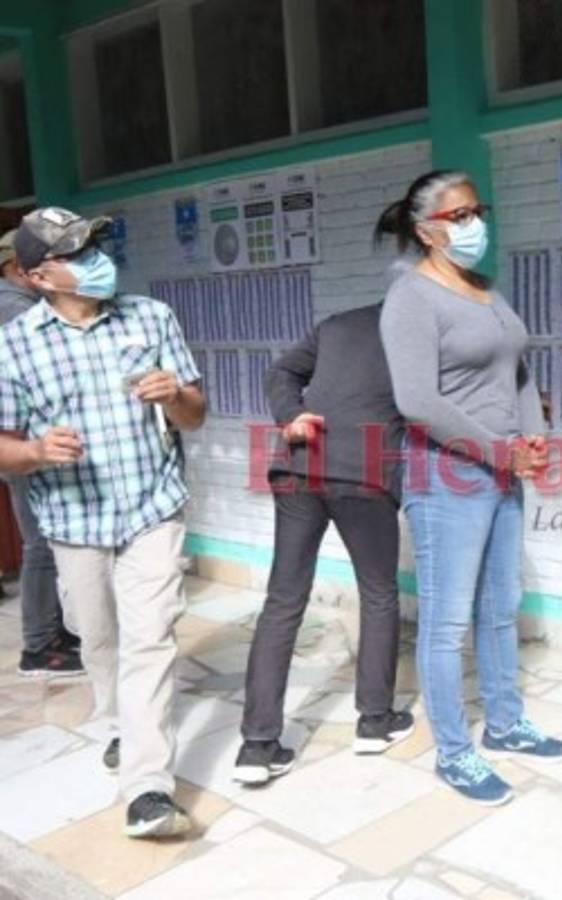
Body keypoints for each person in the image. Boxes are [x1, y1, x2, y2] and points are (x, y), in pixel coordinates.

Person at [0, 207, 206, 839]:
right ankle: (124, 724)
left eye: (96, 243)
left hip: (152, 508)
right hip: (72, 521)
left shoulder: (151, 317)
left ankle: (147, 786)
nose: (96, 257)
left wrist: (174, 396)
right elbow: (4, 444)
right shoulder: (14, 343)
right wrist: (35, 452)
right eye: (77, 250)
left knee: (151, 640)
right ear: (38, 276)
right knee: (101, 641)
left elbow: (196, 415)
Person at [378, 172, 562, 806]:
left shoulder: (486, 292)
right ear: (425, 229)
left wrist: (534, 438)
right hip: (447, 477)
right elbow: (417, 402)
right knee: (445, 622)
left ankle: (507, 724)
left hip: (504, 472)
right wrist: (500, 451)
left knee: (499, 606)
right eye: (458, 215)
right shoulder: (411, 299)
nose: (472, 225)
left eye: (477, 211)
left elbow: (516, 369)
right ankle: (455, 752)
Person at [235, 300, 413, 785]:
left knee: (283, 600)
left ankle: (257, 745)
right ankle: (375, 721)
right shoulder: (422, 327)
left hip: (299, 465)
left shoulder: (339, 324)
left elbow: (281, 372)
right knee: (378, 593)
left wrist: (290, 415)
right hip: (364, 474)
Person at [0, 229, 81, 678]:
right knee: (40, 544)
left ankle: (50, 630)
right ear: (18, 268)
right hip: (25, 445)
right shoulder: (14, 309)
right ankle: (39, 645)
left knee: (44, 542)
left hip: (26, 442)